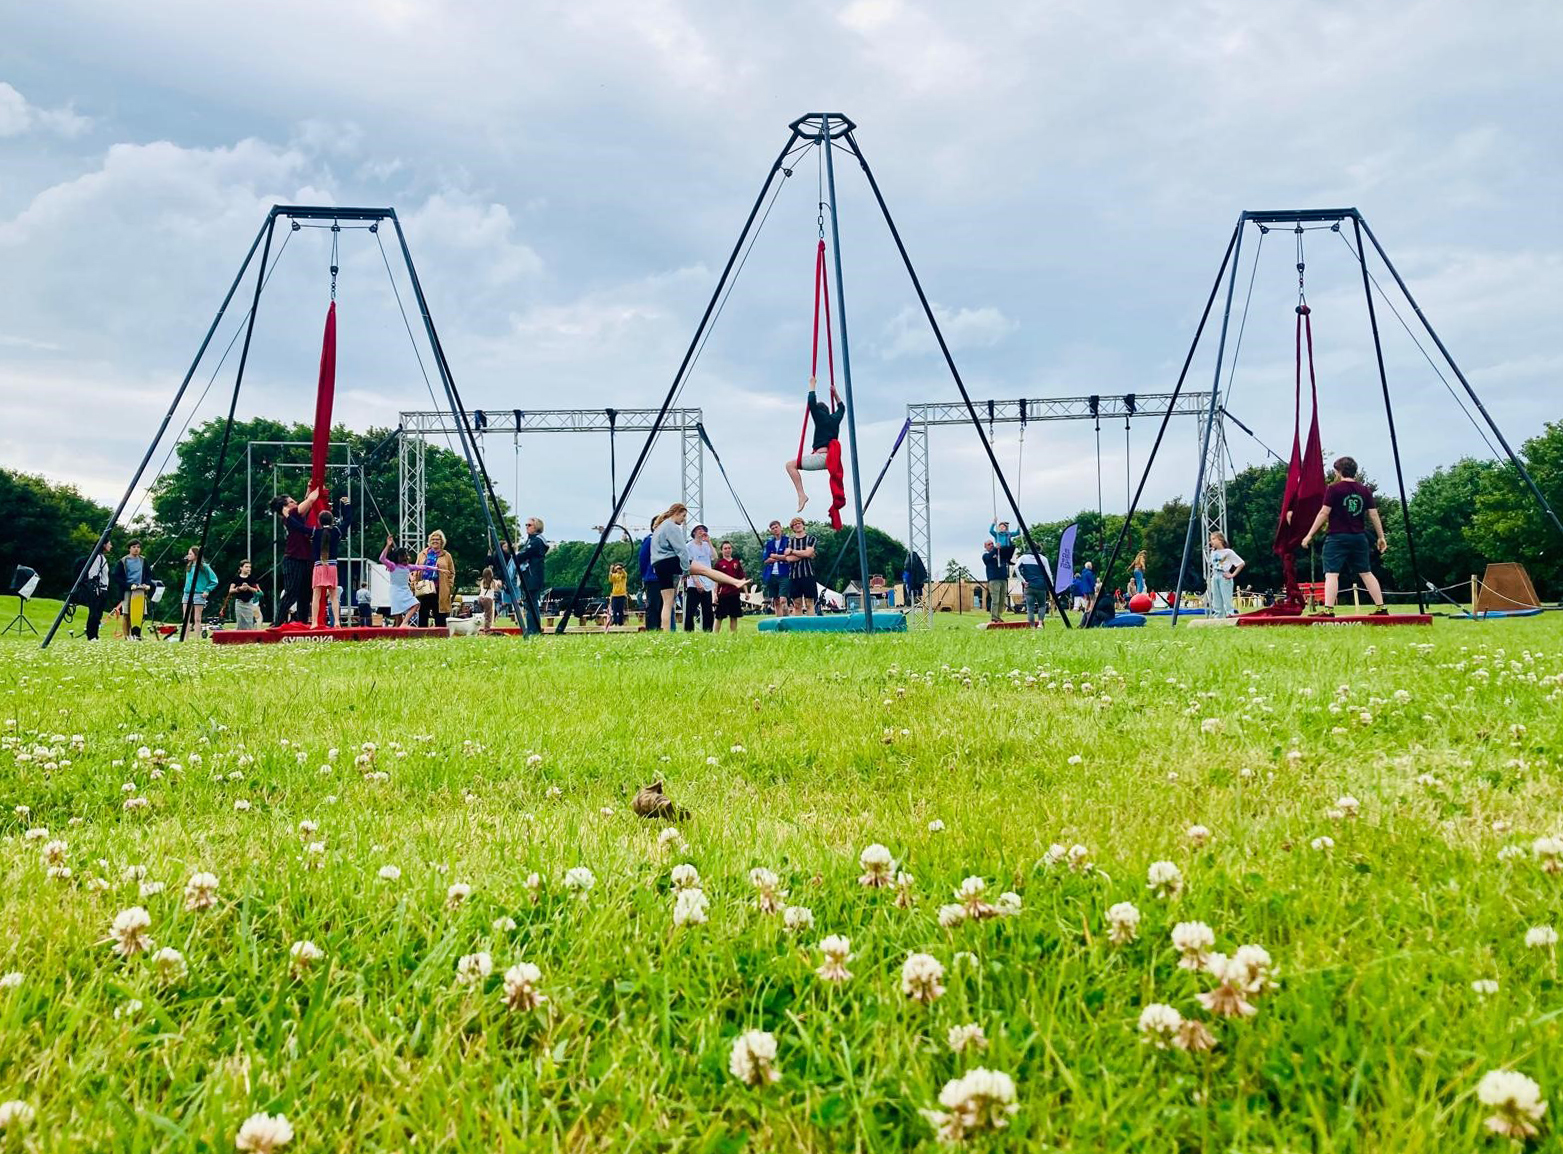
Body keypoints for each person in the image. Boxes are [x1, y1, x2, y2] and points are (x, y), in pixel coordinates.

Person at [1300, 455, 1389, 616]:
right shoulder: (1364, 490)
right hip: (1359, 537)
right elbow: (1374, 515)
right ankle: (1381, 608)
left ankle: (1328, 610)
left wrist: (1309, 534)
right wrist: (1381, 537)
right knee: (1366, 572)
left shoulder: (1333, 489)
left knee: (1332, 574)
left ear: (1339, 471)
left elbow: (1323, 513)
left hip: (1337, 537)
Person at [648, 503, 747, 631]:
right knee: (706, 570)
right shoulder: (671, 526)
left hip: (658, 564)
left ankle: (665, 632)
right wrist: (685, 569)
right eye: (683, 516)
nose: (683, 520)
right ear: (677, 512)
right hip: (670, 560)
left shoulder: (659, 527)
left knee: (667, 603)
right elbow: (682, 550)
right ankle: (736, 582)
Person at [784, 382, 845, 513]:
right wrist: (836, 395)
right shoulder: (834, 419)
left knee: (790, 465)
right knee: (794, 464)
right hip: (830, 460)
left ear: (819, 412)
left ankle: (801, 495)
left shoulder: (820, 418)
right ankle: (801, 495)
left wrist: (812, 385)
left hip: (822, 458)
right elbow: (842, 408)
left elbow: (811, 403)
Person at [270, 489, 320, 624]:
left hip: (303, 559)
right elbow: (309, 501)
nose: (296, 503)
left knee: (305, 594)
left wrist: (309, 490)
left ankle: (302, 622)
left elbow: (305, 503)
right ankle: (278, 623)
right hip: (294, 559)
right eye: (292, 502)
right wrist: (317, 489)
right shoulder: (292, 513)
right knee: (292, 593)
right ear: (285, 507)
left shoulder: (293, 517)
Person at [305, 494, 352, 627]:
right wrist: (346, 505)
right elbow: (348, 520)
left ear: (319, 521)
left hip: (319, 566)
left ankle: (314, 622)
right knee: (334, 596)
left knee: (316, 595)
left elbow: (299, 526)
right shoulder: (336, 531)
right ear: (332, 520)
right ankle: (337, 621)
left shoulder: (315, 533)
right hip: (332, 566)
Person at [111, 540, 153, 639]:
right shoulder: (123, 561)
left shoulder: (143, 560)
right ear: (129, 548)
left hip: (140, 590)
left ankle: (136, 634)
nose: (136, 549)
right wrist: (129, 585)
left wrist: (146, 584)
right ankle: (127, 636)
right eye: (134, 547)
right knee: (126, 614)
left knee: (140, 614)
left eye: (138, 547)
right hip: (128, 590)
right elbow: (116, 576)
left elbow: (149, 575)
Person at [414, 530, 456, 627]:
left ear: (442, 542)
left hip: (439, 588)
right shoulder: (422, 554)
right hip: (424, 587)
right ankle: (422, 633)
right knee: (423, 612)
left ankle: (440, 634)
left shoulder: (447, 555)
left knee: (440, 613)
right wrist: (414, 584)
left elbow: (452, 572)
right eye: (432, 539)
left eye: (437, 539)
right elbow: (416, 569)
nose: (435, 541)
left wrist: (449, 585)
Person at [74, 539, 113, 640]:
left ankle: (95, 635)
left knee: (98, 613)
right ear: (104, 545)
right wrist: (96, 588)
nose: (111, 546)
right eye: (109, 544)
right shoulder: (97, 557)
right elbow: (93, 573)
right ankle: (91, 636)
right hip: (97, 589)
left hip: (103, 589)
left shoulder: (102, 557)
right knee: (94, 613)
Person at [516, 517, 549, 635]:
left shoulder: (537, 541)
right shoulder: (531, 541)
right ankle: (532, 629)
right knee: (530, 604)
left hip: (532, 576)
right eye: (526, 525)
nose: (526, 527)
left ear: (536, 527)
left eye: (529, 525)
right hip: (529, 576)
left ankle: (532, 630)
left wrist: (516, 555)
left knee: (531, 604)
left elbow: (524, 554)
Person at [781, 516, 819, 615]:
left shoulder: (811, 539)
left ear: (803, 525)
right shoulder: (790, 541)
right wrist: (805, 553)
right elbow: (788, 558)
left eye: (799, 523)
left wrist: (793, 551)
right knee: (797, 604)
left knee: (809, 603)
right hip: (794, 575)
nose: (797, 525)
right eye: (794, 524)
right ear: (792, 528)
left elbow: (809, 552)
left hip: (808, 574)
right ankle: (799, 627)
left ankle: (811, 626)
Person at [379, 535, 420, 626]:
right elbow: (382, 558)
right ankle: (402, 626)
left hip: (401, 590)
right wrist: (388, 545)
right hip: (396, 591)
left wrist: (436, 569)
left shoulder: (406, 567)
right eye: (405, 555)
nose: (408, 557)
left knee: (400, 615)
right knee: (398, 615)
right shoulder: (392, 566)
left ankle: (402, 626)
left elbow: (422, 567)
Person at [179, 546, 218, 638]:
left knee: (197, 618)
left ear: (196, 555)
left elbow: (214, 580)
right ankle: (185, 638)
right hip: (187, 593)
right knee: (186, 617)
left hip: (198, 594)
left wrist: (207, 590)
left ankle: (197, 638)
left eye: (190, 554)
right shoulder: (188, 566)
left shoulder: (204, 567)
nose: (188, 556)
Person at [683, 523, 715, 632]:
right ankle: (689, 632)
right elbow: (689, 564)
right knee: (690, 611)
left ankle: (708, 631)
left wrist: (709, 541)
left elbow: (714, 556)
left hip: (707, 581)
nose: (702, 531)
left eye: (703, 529)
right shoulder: (689, 546)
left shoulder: (706, 546)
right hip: (694, 582)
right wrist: (696, 581)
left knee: (708, 611)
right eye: (699, 529)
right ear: (694, 532)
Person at [1206, 532, 1245, 618]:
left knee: (1227, 599)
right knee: (1216, 599)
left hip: (1224, 576)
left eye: (1213, 539)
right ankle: (1218, 618)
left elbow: (1241, 563)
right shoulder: (1213, 552)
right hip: (1215, 575)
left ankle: (1230, 616)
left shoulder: (1228, 552)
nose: (1211, 541)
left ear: (1220, 540)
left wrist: (1232, 575)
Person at [713, 540, 747, 633]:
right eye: (725, 548)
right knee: (719, 616)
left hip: (735, 593)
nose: (727, 550)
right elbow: (715, 580)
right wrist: (715, 594)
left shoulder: (736, 562)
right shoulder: (719, 564)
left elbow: (742, 578)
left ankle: (734, 636)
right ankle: (714, 635)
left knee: (734, 616)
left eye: (729, 548)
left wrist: (746, 592)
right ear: (722, 551)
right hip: (723, 594)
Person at [761, 520, 791, 617]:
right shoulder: (769, 543)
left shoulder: (788, 541)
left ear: (780, 527)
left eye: (776, 527)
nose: (775, 529)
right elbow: (765, 559)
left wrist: (774, 556)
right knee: (776, 601)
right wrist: (777, 557)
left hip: (784, 574)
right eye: (772, 528)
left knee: (783, 599)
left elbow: (789, 557)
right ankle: (779, 621)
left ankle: (786, 619)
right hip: (771, 574)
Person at [638, 523, 661, 631]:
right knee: (653, 605)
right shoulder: (650, 540)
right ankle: (652, 628)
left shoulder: (666, 540)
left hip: (664, 577)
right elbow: (642, 558)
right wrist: (645, 575)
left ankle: (661, 627)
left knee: (662, 605)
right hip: (652, 578)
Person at [1017, 554, 1049, 627]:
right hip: (1041, 585)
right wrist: (1050, 585)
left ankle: (1032, 626)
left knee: (1030, 608)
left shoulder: (1023, 557)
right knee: (1042, 606)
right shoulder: (1043, 559)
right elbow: (1048, 573)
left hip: (1029, 585)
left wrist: (1022, 580)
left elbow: (1016, 568)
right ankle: (1040, 624)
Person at [229, 560, 262, 630]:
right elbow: (230, 590)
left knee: (249, 622)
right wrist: (239, 588)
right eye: (246, 567)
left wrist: (248, 588)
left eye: (249, 567)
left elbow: (257, 590)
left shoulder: (252, 578)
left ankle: (249, 636)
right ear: (241, 568)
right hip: (239, 602)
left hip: (249, 603)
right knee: (240, 621)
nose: (248, 569)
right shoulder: (236, 578)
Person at [982, 540, 1006, 623]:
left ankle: (998, 616)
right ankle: (994, 617)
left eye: (992, 544)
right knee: (995, 599)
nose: (991, 545)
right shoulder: (986, 555)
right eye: (989, 544)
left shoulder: (999, 554)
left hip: (1003, 578)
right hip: (994, 579)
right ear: (985, 547)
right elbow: (988, 558)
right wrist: (996, 549)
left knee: (1002, 599)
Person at [476, 566, 502, 632]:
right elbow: (498, 587)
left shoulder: (482, 581)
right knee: (488, 615)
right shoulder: (493, 582)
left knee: (481, 614)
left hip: (480, 598)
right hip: (488, 599)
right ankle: (486, 629)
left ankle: (478, 628)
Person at [607, 562, 629, 629]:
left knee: (620, 610)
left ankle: (620, 623)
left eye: (619, 568)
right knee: (615, 610)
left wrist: (621, 568)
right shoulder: (614, 575)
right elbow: (610, 579)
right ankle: (615, 622)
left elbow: (625, 574)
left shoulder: (623, 575)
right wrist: (611, 570)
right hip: (615, 595)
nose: (618, 569)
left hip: (622, 595)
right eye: (617, 568)